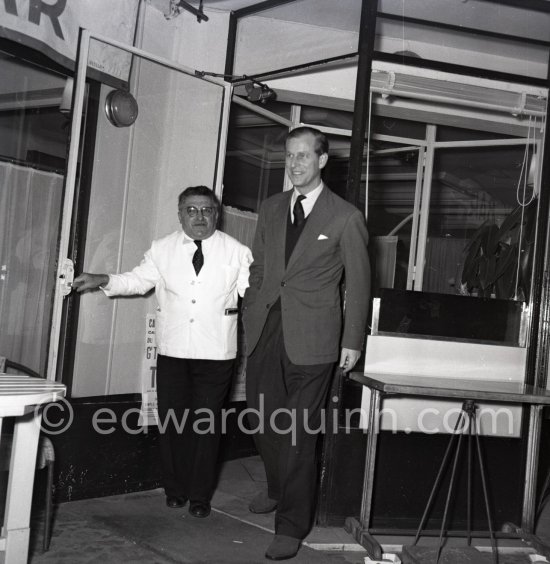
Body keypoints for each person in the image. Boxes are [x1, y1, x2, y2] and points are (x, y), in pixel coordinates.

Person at [73, 186, 252, 519]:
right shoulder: (162, 249)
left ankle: (200, 496)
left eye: (207, 210)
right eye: (192, 210)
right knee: (173, 423)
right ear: (180, 214)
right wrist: (103, 279)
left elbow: (252, 294)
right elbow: (138, 280)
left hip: (217, 354)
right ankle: (175, 489)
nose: (200, 216)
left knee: (206, 425)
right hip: (173, 351)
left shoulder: (237, 251)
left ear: (217, 213)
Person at [242, 126, 371, 560]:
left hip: (315, 337)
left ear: (322, 160)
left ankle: (291, 526)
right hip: (266, 329)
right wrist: (249, 314)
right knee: (262, 420)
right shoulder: (272, 207)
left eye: (303, 156)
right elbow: (260, 268)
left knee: (298, 432)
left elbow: (358, 282)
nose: (295, 163)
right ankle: (278, 488)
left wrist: (352, 340)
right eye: (289, 155)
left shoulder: (345, 216)